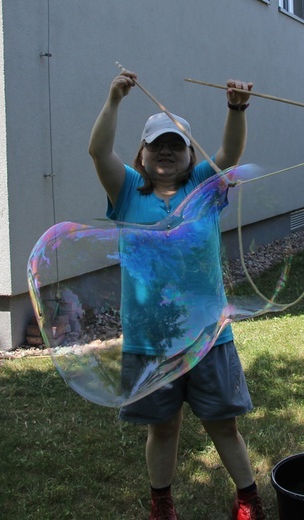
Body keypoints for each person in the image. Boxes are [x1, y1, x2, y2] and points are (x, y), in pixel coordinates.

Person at [88, 70, 265, 520]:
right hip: (151, 340)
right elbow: (98, 150)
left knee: (223, 425)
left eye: (176, 145)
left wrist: (236, 108)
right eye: (156, 145)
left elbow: (230, 152)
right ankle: (161, 503)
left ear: (190, 154)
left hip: (208, 335)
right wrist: (113, 100)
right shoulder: (126, 190)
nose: (165, 151)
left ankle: (248, 499)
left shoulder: (203, 188)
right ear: (142, 154)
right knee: (163, 428)